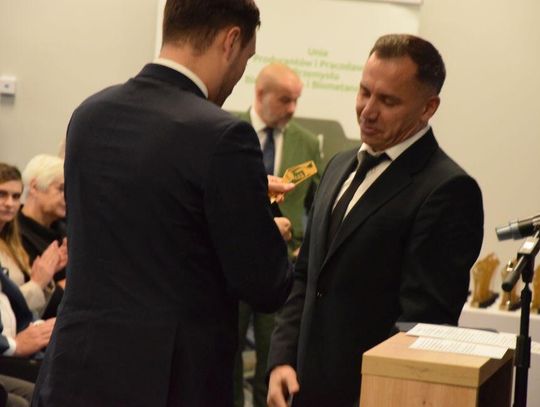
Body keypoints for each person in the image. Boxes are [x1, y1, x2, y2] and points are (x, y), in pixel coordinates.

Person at [32, 1, 293, 406]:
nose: (241, 74)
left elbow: (142, 226)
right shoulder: (223, 135)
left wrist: (238, 196)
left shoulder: (89, 115)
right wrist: (262, 223)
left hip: (74, 372)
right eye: (247, 58)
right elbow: (265, 285)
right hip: (168, 382)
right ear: (231, 41)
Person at [267, 34, 484, 407]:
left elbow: (422, 324)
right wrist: (281, 360)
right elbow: (306, 277)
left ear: (428, 107)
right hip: (302, 390)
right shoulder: (338, 165)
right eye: (364, 92)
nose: (367, 110)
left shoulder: (447, 190)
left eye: (388, 100)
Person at [234, 63, 322, 407]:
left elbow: (319, 201)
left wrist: (307, 248)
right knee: (227, 353)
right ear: (260, 94)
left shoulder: (306, 142)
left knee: (275, 356)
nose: (292, 108)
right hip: (234, 267)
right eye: (285, 100)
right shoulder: (229, 132)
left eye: (296, 100)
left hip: (283, 270)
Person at [0, 164, 66, 318]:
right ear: (34, 188)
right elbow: (4, 310)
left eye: (16, 197)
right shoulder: (22, 238)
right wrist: (37, 283)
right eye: (2, 194)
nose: (9, 203)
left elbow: (30, 312)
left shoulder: (13, 244)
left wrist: (46, 276)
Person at [18, 154, 67, 287]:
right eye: (61, 189)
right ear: (34, 187)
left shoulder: (67, 232)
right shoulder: (13, 234)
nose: (67, 197)